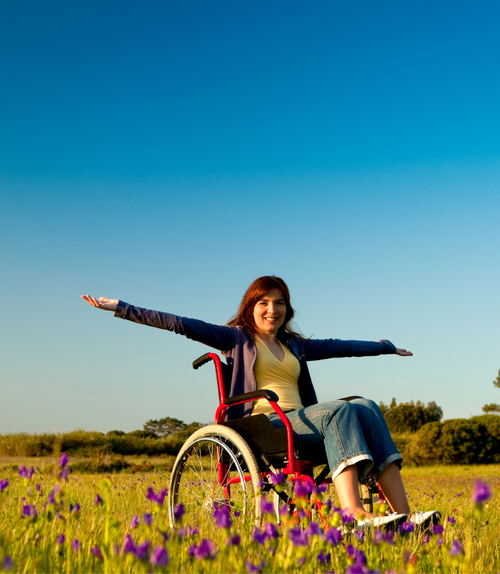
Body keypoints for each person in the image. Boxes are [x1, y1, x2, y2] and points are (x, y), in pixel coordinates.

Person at [81, 275, 440, 529]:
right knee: (341, 409)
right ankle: (352, 515)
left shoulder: (295, 345)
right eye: (264, 303)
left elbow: (342, 346)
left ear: (288, 308)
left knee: (367, 406)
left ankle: (406, 519)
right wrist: (122, 308)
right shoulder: (236, 338)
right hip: (264, 425)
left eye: (279, 303)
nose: (273, 310)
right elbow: (179, 323)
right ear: (251, 307)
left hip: (301, 421)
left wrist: (384, 348)